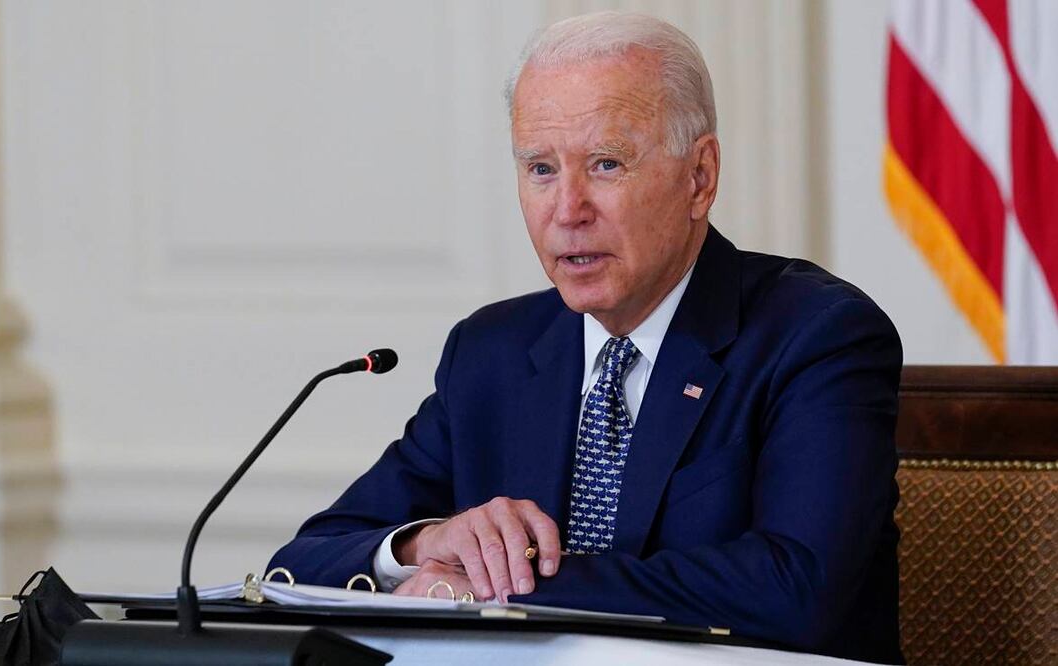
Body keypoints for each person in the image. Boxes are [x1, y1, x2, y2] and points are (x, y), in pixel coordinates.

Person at [270, 11, 903, 664]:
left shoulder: (814, 335)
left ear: (699, 177)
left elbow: (795, 587)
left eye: (605, 164)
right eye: (540, 169)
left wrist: (494, 588)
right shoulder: (495, 351)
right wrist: (421, 546)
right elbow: (305, 558)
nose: (567, 210)